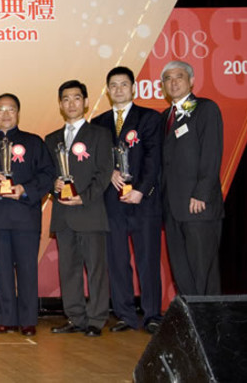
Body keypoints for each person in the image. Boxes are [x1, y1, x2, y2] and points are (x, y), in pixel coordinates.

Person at [91, 67, 164, 334]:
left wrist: (141, 190)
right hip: (112, 203)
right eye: (113, 85)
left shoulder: (149, 118)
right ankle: (124, 314)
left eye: (124, 84)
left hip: (144, 202)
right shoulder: (98, 123)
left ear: (133, 88)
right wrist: (108, 171)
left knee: (147, 260)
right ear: (108, 90)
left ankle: (153, 315)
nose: (119, 89)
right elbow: (95, 161)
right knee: (117, 260)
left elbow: (153, 158)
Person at [0, 93, 55, 337]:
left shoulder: (34, 143)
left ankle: (28, 320)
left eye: (10, 109)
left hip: (25, 217)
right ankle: (5, 320)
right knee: (2, 271)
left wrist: (25, 190)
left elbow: (47, 175)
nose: (5, 114)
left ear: (18, 113)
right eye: (0, 109)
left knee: (27, 271)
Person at [44, 80, 112, 337]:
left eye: (76, 98)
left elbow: (104, 172)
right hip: (63, 215)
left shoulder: (100, 135)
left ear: (84, 101)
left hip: (90, 211)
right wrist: (54, 185)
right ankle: (75, 317)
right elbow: (47, 175)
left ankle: (96, 319)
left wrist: (83, 197)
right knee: (68, 270)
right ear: (60, 105)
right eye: (65, 99)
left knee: (95, 268)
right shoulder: (51, 139)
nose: (71, 103)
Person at [160, 60, 224, 296]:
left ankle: (209, 327)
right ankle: (191, 325)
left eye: (179, 77)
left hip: (198, 206)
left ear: (191, 81)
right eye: (168, 79)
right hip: (173, 208)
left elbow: (212, 153)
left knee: (203, 273)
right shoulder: (165, 116)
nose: (173, 82)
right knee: (182, 273)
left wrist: (201, 193)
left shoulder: (205, 109)